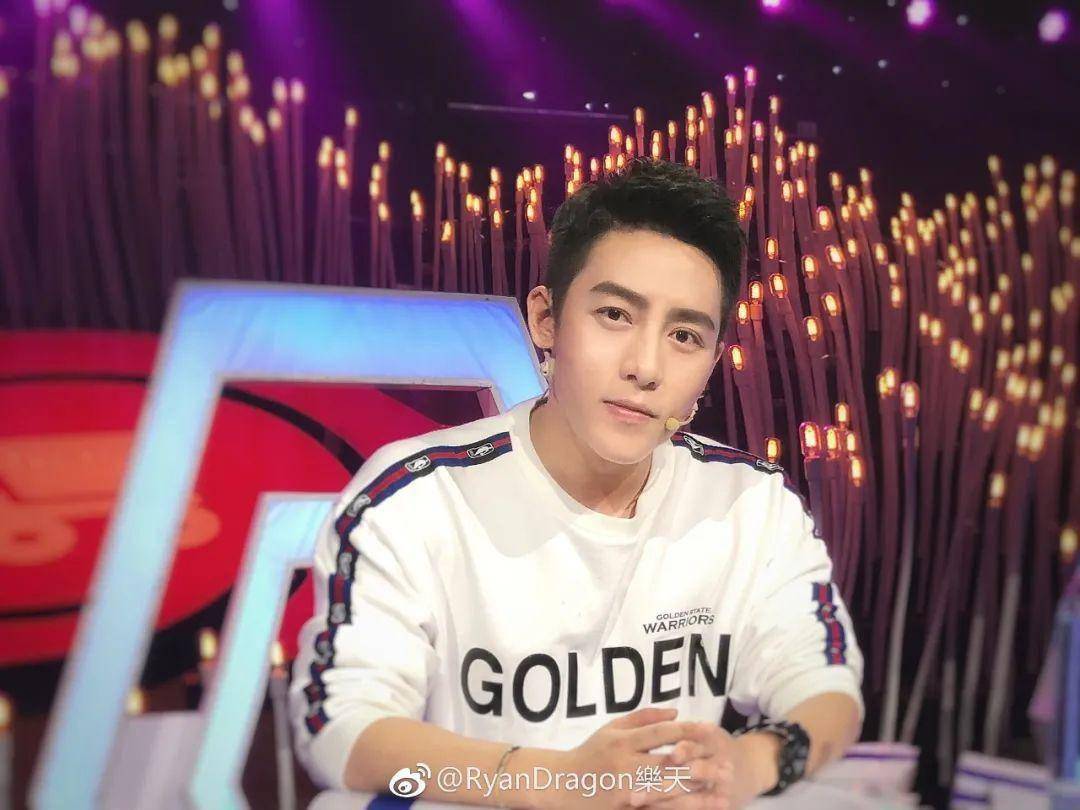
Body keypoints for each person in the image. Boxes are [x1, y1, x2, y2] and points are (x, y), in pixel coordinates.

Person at [288, 157, 864, 809]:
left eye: (684, 335)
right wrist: (551, 781)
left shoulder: (749, 503)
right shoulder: (415, 498)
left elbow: (828, 688)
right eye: (615, 314)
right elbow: (341, 733)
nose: (645, 367)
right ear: (546, 318)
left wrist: (748, 765)